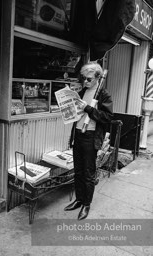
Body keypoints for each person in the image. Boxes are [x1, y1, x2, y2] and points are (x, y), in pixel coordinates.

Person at [64, 61, 113, 220]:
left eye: (89, 79)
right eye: (84, 78)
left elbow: (107, 118)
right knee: (78, 170)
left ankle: (86, 204)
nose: (85, 81)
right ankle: (79, 199)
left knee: (88, 172)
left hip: (91, 136)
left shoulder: (103, 94)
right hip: (78, 133)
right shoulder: (83, 91)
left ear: (98, 78)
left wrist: (88, 109)